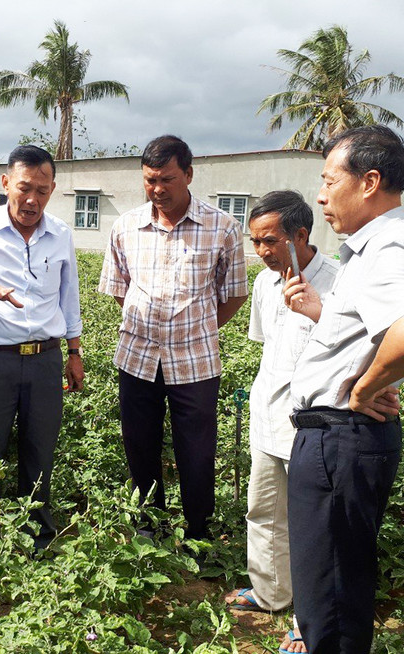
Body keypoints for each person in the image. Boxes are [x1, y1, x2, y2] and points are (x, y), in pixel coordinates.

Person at [281, 126, 404, 654]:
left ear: (369, 182)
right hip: (337, 442)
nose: (321, 196)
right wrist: (369, 376)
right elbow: (367, 334)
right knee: (333, 586)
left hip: (338, 441)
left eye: (329, 181)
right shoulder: (372, 248)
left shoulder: (388, 246)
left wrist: (362, 389)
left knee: (331, 599)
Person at [98, 135, 248, 544]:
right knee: (140, 447)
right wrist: (150, 328)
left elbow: (234, 293)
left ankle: (198, 533)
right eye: (149, 180)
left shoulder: (222, 227)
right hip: (137, 358)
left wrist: (197, 328)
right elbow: (118, 288)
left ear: (189, 175)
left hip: (196, 361)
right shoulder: (126, 226)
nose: (157, 189)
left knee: (196, 454)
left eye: (167, 179)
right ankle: (150, 528)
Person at [0, 144, 83, 550]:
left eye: (42, 190)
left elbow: (68, 298)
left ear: (52, 189)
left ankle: (38, 534)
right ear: (6, 183)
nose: (32, 199)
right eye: (24, 188)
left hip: (45, 360)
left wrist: (74, 354)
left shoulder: (61, 235)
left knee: (40, 449)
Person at [225, 191, 338, 615]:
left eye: (269, 241)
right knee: (264, 511)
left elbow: (361, 348)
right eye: (255, 242)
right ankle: (271, 592)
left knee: (314, 524)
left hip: (315, 425)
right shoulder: (263, 283)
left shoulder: (338, 282)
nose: (261, 252)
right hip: (267, 415)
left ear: (301, 235)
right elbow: (269, 347)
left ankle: (312, 619)